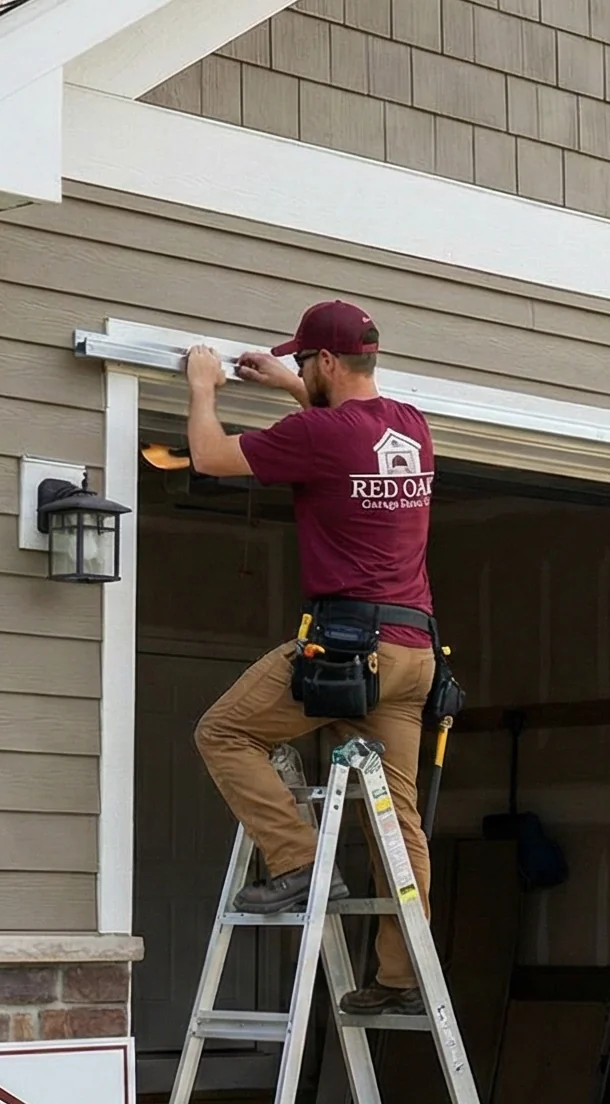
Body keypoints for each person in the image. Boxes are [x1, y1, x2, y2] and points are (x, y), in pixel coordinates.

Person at [181, 300, 439, 1016]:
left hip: (348, 650)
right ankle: (401, 973)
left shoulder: (317, 435)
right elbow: (348, 431)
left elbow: (208, 454)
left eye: (303, 361)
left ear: (327, 362)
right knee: (399, 820)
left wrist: (204, 384)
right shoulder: (412, 429)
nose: (298, 370)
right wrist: (290, 387)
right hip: (413, 653)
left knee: (224, 732)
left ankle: (297, 862)